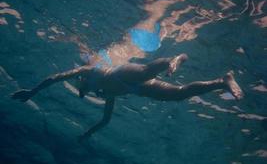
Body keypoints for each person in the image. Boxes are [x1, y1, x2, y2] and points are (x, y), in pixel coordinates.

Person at [11, 53, 243, 141]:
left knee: (146, 70)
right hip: (137, 88)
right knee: (178, 95)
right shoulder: (106, 94)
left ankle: (177, 58)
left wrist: (33, 91)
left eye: (79, 86)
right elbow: (106, 119)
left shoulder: (86, 71)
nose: (80, 87)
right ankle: (222, 81)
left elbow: (56, 77)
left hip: (121, 72)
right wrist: (88, 133)